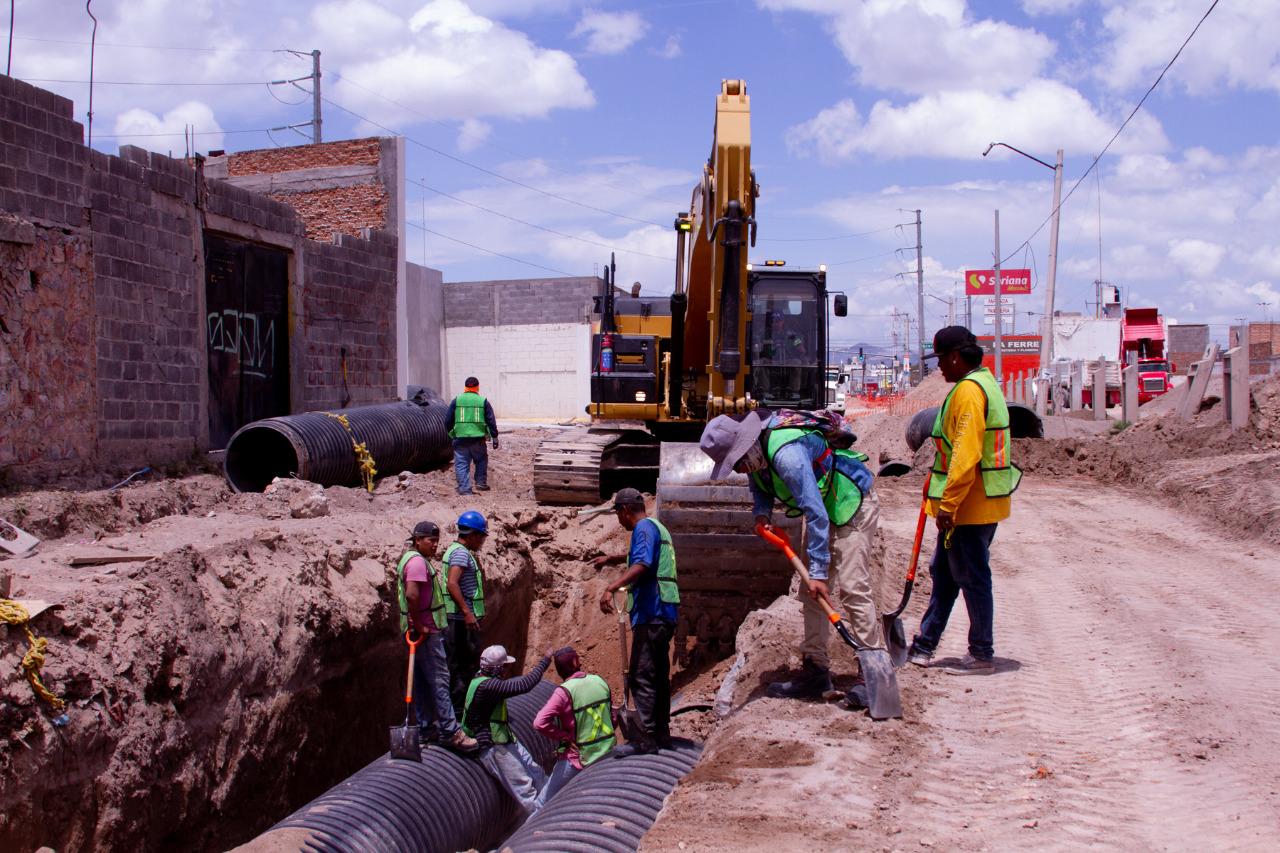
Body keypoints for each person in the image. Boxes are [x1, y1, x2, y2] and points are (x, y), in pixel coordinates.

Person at [698, 408, 887, 706]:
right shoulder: (756, 458)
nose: (738, 469)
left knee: (852, 587)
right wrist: (761, 514)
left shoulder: (786, 454)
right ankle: (816, 668)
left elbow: (815, 513)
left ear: (748, 444)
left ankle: (874, 673)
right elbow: (760, 489)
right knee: (808, 593)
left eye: (737, 462)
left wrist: (821, 574)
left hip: (851, 503)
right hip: (825, 510)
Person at [908, 326, 1021, 675]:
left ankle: (981, 653)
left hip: (970, 507)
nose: (938, 366)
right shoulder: (981, 384)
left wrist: (948, 506)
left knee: (971, 577)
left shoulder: (970, 393)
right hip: (974, 504)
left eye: (940, 358)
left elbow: (966, 456)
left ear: (956, 356)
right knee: (943, 573)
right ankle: (923, 646)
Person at [591, 488, 678, 756]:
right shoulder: (656, 527)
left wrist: (611, 587)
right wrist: (611, 558)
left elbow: (642, 563)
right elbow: (640, 558)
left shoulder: (642, 528)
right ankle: (662, 734)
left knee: (641, 675)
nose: (619, 522)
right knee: (659, 676)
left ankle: (644, 739)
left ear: (625, 510)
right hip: (665, 612)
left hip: (651, 611)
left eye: (618, 515)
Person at [395, 521, 479, 752]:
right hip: (426, 633)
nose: (435, 545)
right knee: (440, 681)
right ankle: (450, 732)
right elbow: (412, 596)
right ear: (417, 540)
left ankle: (424, 729)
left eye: (436, 541)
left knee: (422, 681)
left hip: (419, 632)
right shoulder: (416, 563)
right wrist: (420, 625)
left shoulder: (411, 560)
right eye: (431, 541)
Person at [463, 645, 553, 816]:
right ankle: (542, 819)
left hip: (504, 738)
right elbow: (525, 685)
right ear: (496, 668)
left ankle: (555, 803)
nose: (506, 670)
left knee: (537, 772)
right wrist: (545, 660)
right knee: (524, 786)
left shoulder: (480, 679)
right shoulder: (487, 687)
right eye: (504, 666)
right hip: (491, 746)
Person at [531, 647, 617, 810]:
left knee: (543, 804)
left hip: (579, 757)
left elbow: (539, 723)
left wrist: (564, 736)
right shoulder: (599, 681)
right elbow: (613, 717)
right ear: (576, 662)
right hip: (608, 750)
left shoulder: (564, 692)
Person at [444, 511, 489, 714]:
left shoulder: (454, 550)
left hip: (460, 620)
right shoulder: (461, 553)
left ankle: (461, 713)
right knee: (465, 669)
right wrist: (467, 613)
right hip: (462, 623)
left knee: (461, 668)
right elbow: (452, 584)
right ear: (472, 534)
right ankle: (463, 715)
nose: (481, 542)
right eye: (481, 536)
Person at [448, 377, 499, 495]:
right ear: (477, 386)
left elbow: (448, 420)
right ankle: (480, 482)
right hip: (478, 439)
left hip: (460, 438)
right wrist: (495, 437)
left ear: (465, 387)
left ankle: (465, 489)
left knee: (461, 463)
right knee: (481, 459)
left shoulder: (456, 400)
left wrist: (452, 432)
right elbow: (491, 420)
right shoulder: (483, 401)